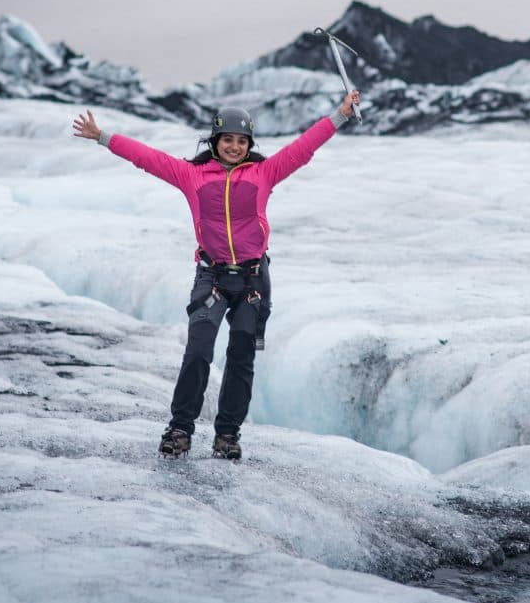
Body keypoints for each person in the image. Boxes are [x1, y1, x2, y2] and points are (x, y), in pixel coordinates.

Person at [73, 89, 361, 459]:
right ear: (215, 141)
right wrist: (102, 136)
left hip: (253, 281)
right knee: (198, 351)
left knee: (241, 357)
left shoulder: (264, 173)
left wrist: (340, 115)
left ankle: (227, 435)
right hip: (212, 278)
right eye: (228, 140)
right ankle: (180, 429)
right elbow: (148, 158)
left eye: (242, 141)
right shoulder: (191, 176)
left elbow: (302, 148)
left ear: (249, 145)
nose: (235, 147)